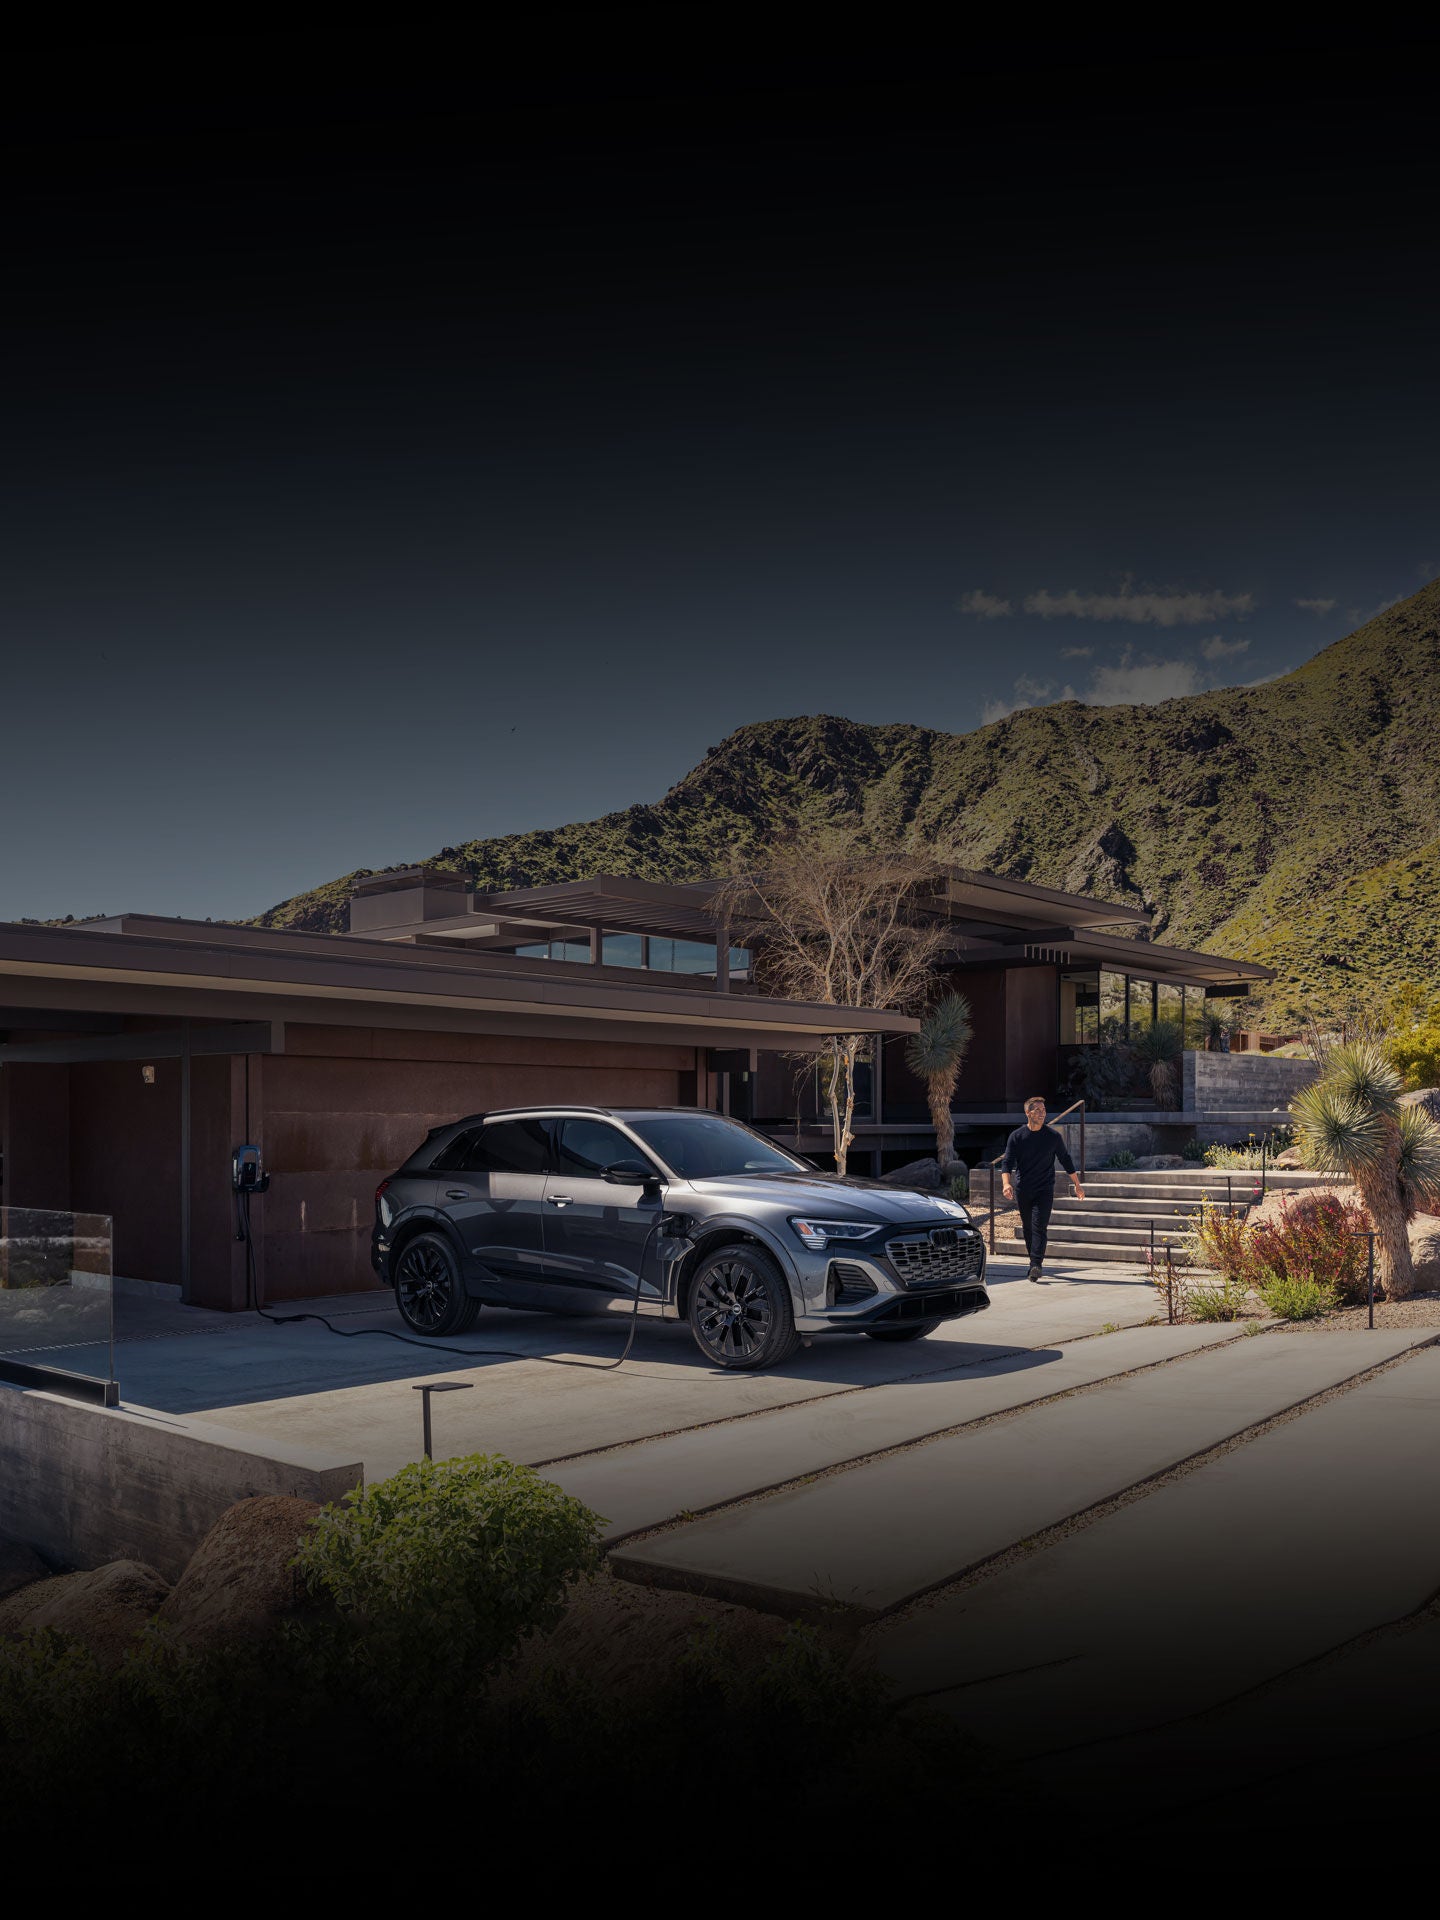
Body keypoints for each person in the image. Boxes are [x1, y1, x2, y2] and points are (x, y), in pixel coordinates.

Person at [1001, 1095, 1085, 1281]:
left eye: (1043, 1110)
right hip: (1023, 1189)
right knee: (1028, 1227)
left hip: (1045, 1189)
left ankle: (1036, 1265)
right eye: (1037, 1110)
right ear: (1027, 1113)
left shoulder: (1053, 1137)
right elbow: (1007, 1162)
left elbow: (1066, 1160)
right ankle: (1034, 1262)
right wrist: (1006, 1183)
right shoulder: (1017, 1136)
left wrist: (1077, 1184)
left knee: (1040, 1226)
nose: (1042, 1113)